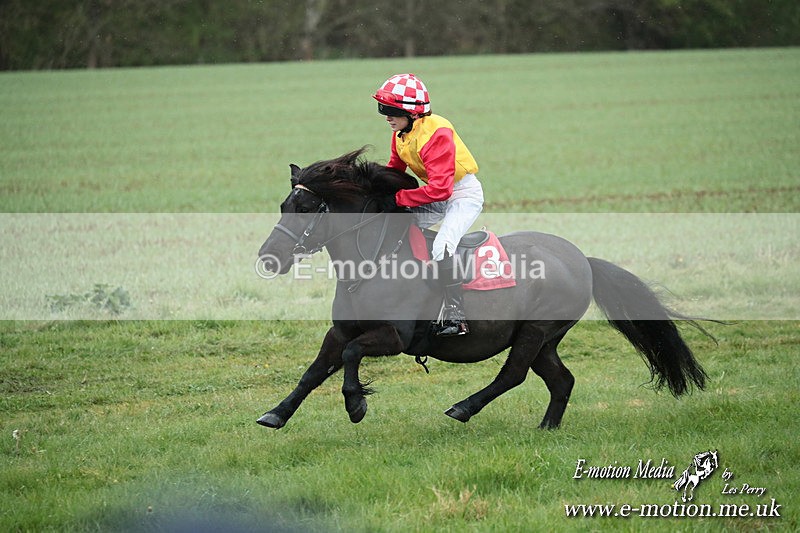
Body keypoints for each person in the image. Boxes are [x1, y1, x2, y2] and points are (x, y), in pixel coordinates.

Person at [372, 73, 484, 337]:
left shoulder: (437, 133)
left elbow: (442, 189)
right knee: (392, 223)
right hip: (433, 194)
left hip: (461, 196)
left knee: (443, 247)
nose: (386, 116)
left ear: (412, 113)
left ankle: (457, 318)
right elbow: (394, 170)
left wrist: (398, 198)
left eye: (390, 111)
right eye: (382, 110)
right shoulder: (401, 133)